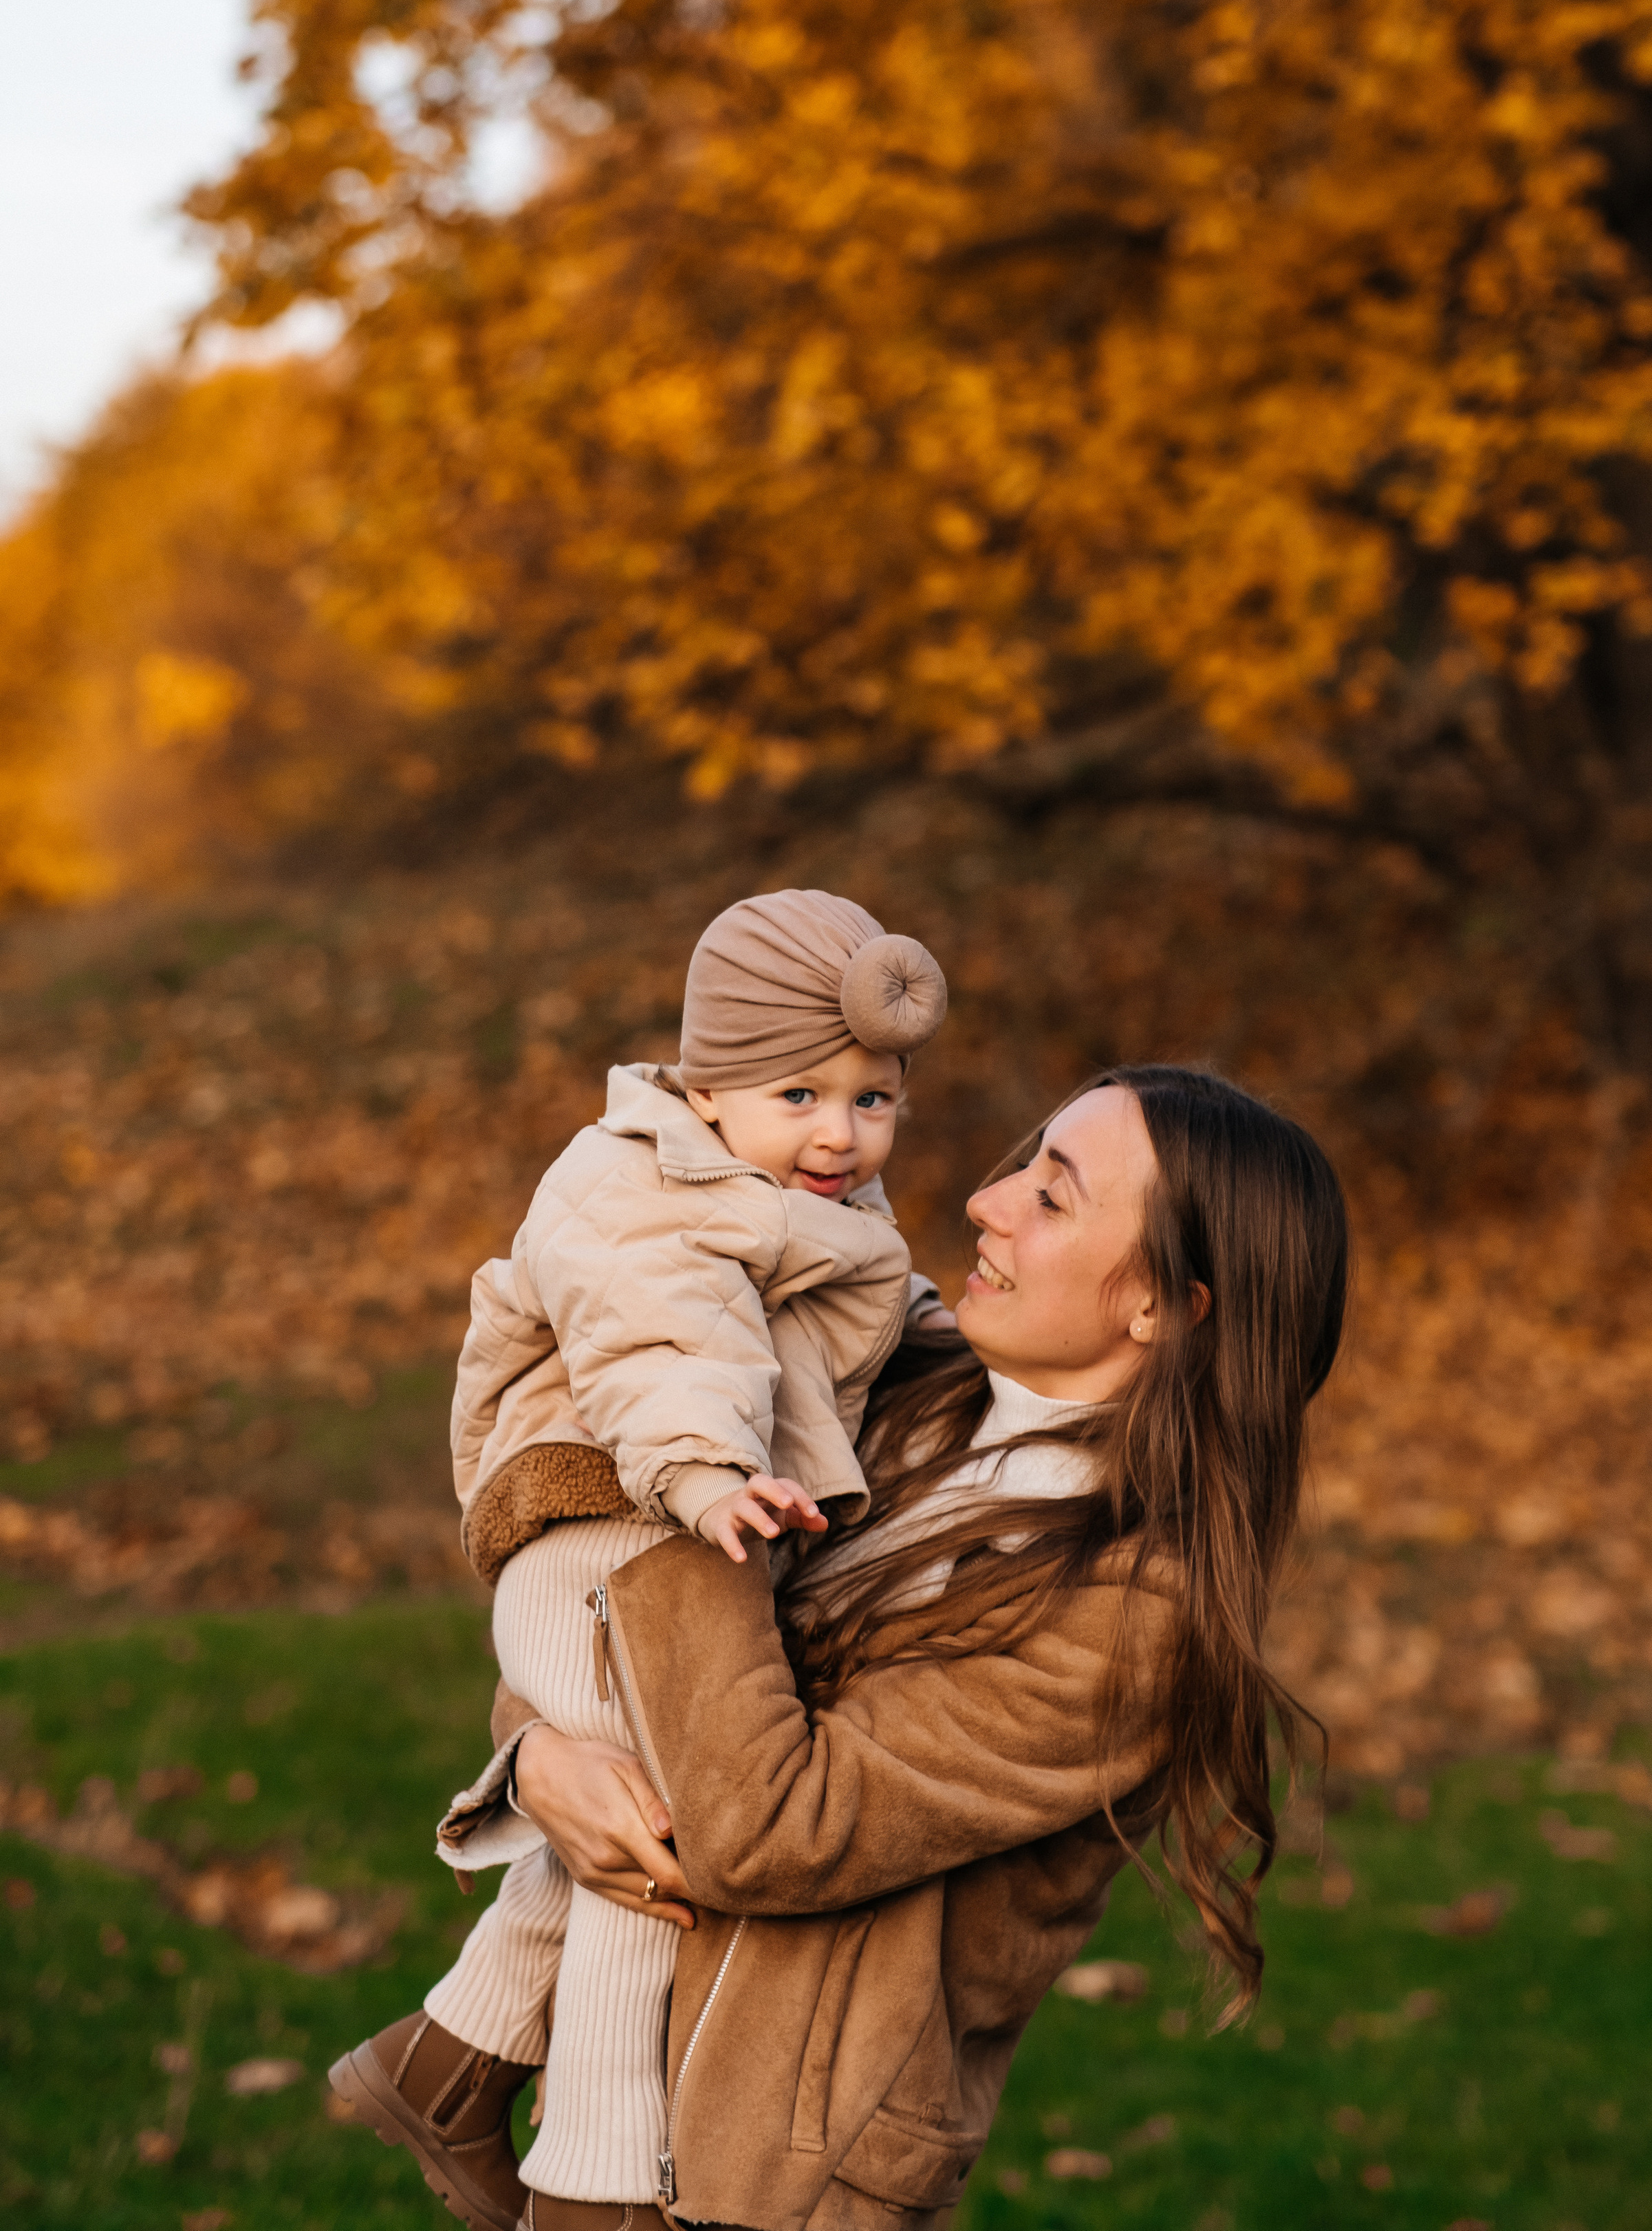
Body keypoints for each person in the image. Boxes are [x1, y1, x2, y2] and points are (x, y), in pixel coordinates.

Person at [478, 1062, 1349, 2230]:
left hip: (779, 2178)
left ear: (1163, 1306)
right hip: (616, 2085)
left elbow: (767, 1826)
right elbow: (606, 1633)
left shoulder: (1134, 1617)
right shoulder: (901, 1392)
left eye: (1055, 1196)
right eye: (1026, 1161)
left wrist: (696, 1481)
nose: (989, 1201)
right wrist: (539, 1755)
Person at [329, 889, 952, 2231]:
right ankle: (597, 2194)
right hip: (609, 1513)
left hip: (666, 1524)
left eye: (874, 1098)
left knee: (613, 1815)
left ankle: (444, 2067)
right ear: (710, 1082)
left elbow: (850, 1303)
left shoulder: (783, 1180)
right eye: (801, 1092)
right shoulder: (638, 1183)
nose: (840, 1132)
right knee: (657, 1840)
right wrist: (709, 1475)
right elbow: (667, 1343)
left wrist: (941, 1334)